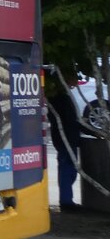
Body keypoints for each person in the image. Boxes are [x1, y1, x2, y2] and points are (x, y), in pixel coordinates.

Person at [46, 70, 82, 212]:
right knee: (68, 169)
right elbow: (70, 122)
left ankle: (66, 200)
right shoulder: (62, 99)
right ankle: (66, 201)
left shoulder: (60, 98)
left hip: (64, 138)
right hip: (66, 138)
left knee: (68, 169)